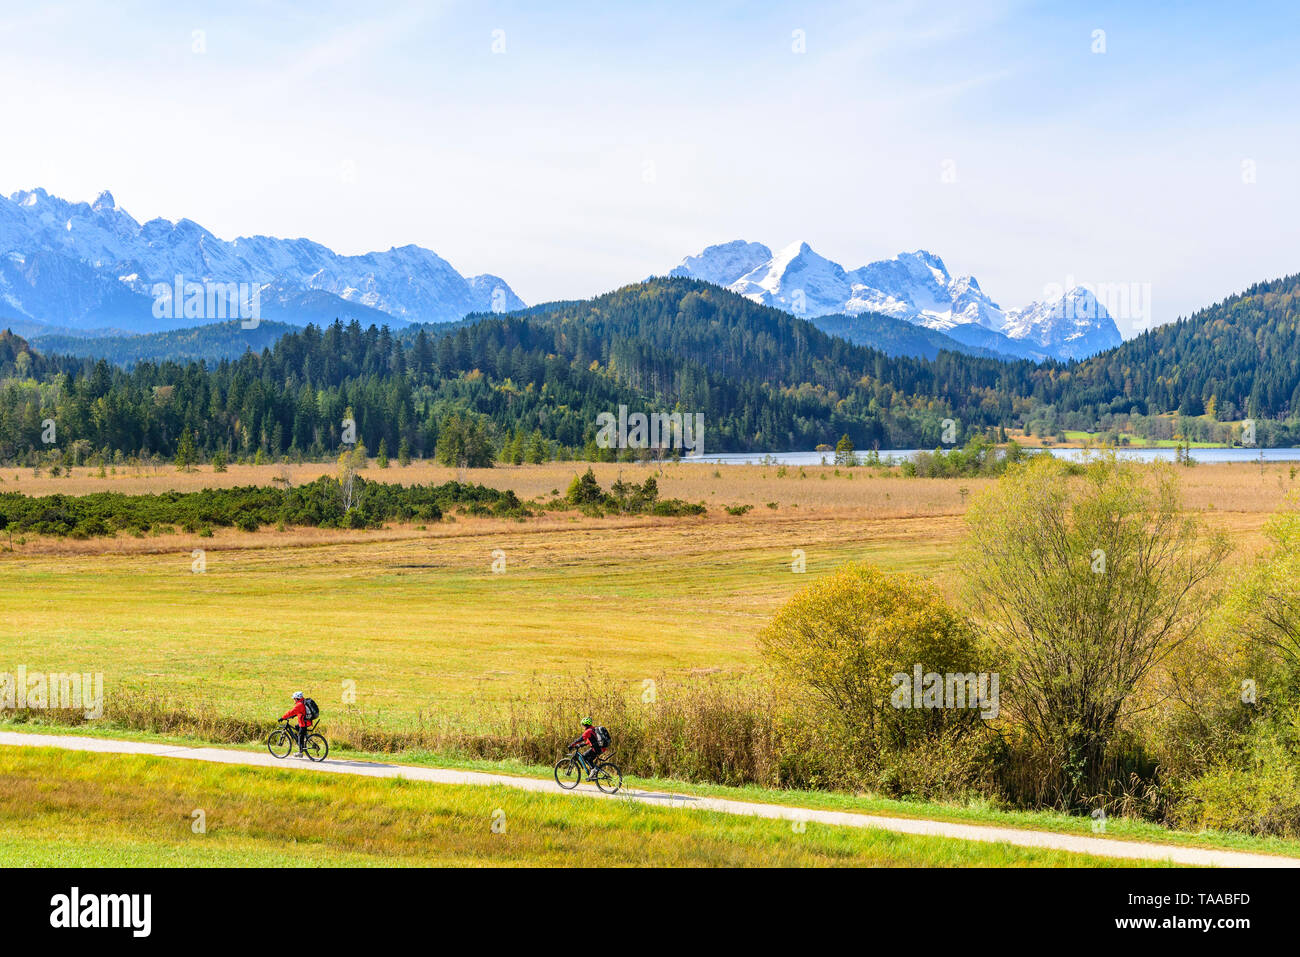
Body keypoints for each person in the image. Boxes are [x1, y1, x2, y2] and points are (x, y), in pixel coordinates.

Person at [280, 691, 311, 757]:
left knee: (300, 736)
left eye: (294, 698)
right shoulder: (303, 702)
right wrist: (294, 716)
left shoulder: (299, 705)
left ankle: (300, 752)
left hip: (304, 723)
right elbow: (300, 712)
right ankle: (304, 737)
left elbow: (291, 712)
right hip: (305, 722)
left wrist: (282, 718)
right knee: (296, 727)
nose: (293, 700)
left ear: (297, 698)